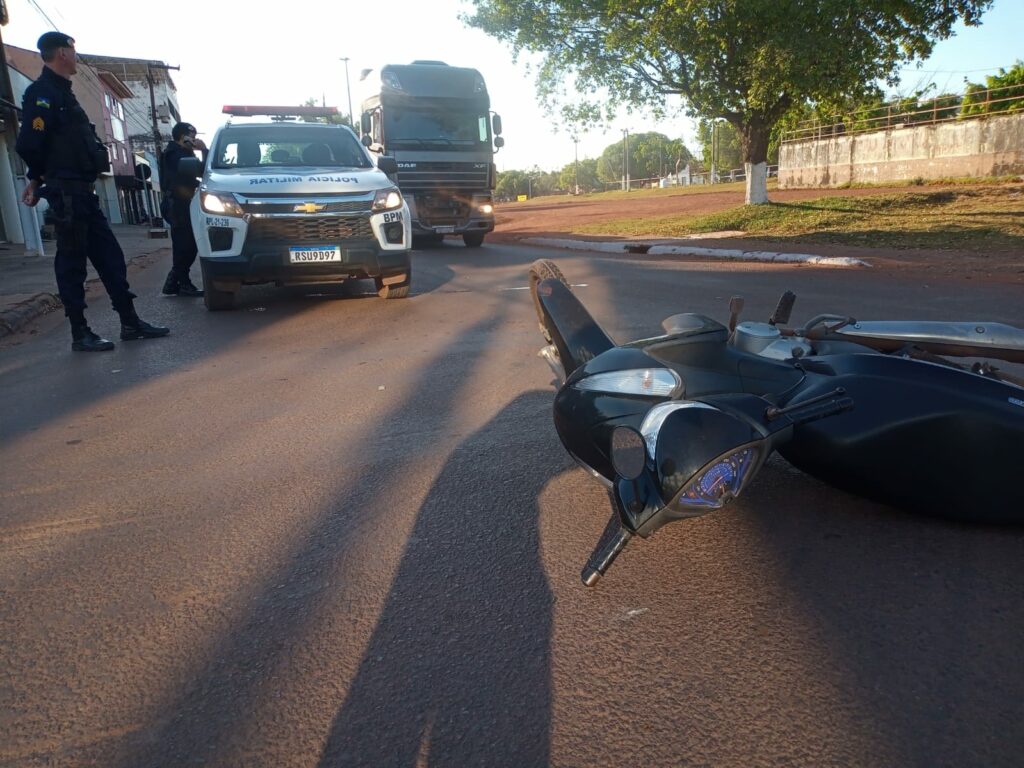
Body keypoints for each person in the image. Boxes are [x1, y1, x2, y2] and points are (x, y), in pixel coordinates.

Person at [16, 31, 169, 352]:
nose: (76, 56)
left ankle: (129, 322)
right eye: (73, 51)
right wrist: (39, 178)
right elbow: (30, 143)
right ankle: (79, 332)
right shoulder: (42, 94)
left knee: (111, 258)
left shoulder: (64, 94)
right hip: (67, 194)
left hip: (83, 193)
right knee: (72, 265)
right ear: (62, 53)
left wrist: (38, 179)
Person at [159, 122, 206, 296]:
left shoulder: (184, 153)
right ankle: (181, 283)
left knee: (188, 244)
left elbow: (201, 173)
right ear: (182, 136)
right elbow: (197, 171)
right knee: (184, 245)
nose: (194, 139)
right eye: (191, 135)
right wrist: (204, 150)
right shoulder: (174, 154)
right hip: (176, 205)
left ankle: (173, 283)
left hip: (185, 203)